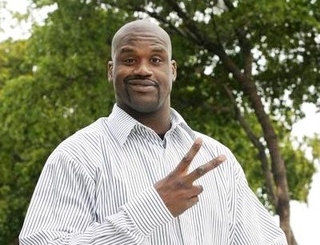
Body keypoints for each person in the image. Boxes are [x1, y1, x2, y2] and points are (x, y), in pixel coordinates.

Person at [20, 20, 288, 245]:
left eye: (156, 59)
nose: (143, 70)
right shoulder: (77, 155)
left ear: (172, 71)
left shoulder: (215, 157)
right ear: (111, 71)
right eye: (129, 59)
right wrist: (152, 209)